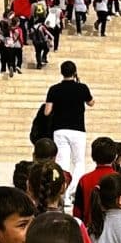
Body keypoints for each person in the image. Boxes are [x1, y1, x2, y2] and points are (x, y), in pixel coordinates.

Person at [39, 60, 94, 207]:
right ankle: (72, 192)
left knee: (62, 162)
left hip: (60, 129)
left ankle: (60, 192)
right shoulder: (82, 88)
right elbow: (91, 102)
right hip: (77, 129)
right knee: (79, 162)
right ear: (74, 72)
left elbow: (47, 111)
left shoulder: (54, 89)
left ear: (61, 72)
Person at [72, 137, 121, 227]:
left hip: (90, 229)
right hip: (116, 228)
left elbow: (77, 211)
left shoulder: (84, 179)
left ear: (92, 156)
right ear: (115, 156)